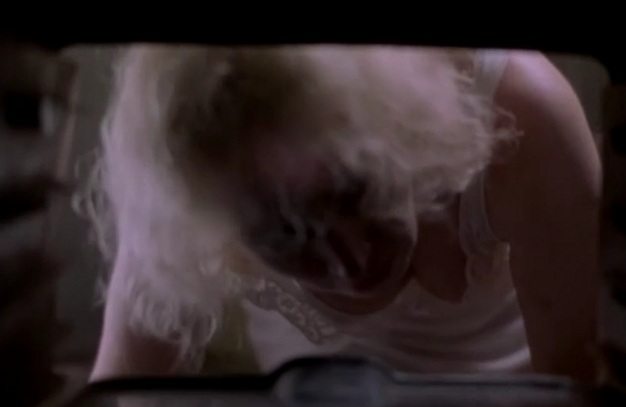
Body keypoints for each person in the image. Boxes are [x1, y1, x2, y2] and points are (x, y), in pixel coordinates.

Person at [87, 45, 601, 382]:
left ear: (401, 123)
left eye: (358, 193)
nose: (350, 262)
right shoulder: (191, 163)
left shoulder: (522, 114)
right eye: (284, 236)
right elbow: (121, 405)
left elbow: (573, 399)